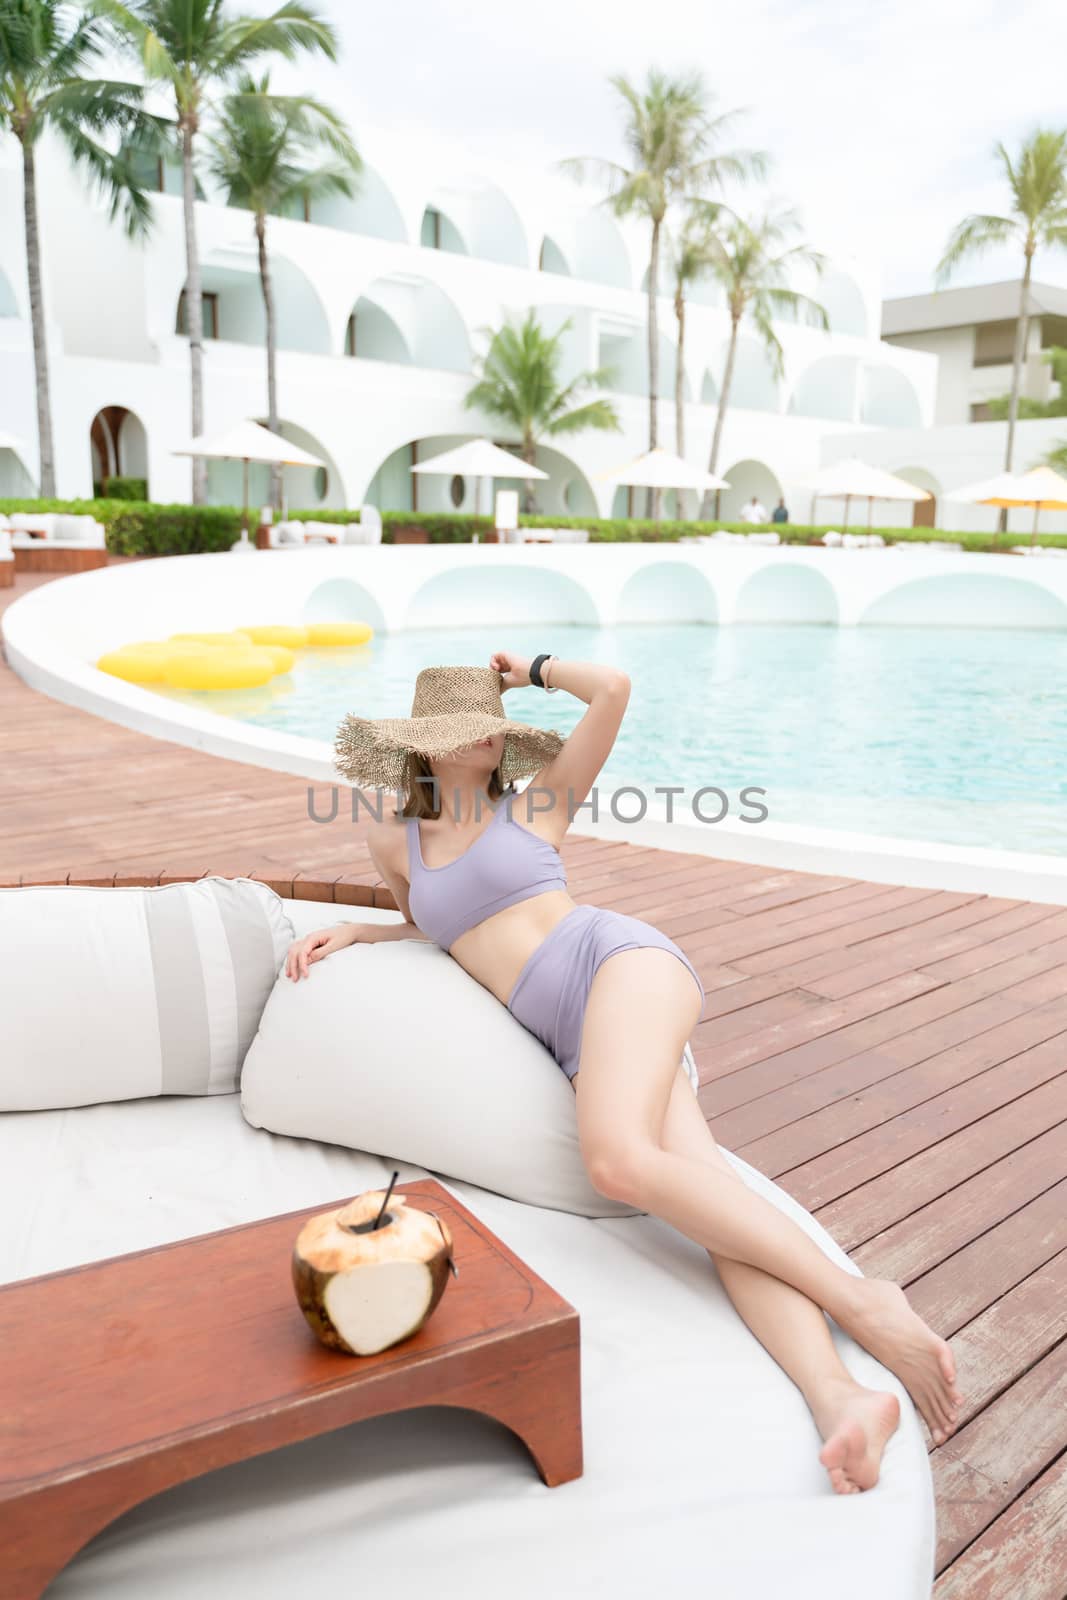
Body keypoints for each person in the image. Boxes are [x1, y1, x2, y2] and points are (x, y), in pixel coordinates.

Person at [285, 655, 961, 1494]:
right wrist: (359, 934)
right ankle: (841, 1400)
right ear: (429, 743)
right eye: (476, 723)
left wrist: (529, 670)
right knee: (703, 1195)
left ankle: (864, 1302)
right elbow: (433, 925)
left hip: (618, 966)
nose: (494, 735)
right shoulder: (391, 836)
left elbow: (613, 691)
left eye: (499, 723)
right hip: (573, 1031)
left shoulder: (534, 806)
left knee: (618, 1162)